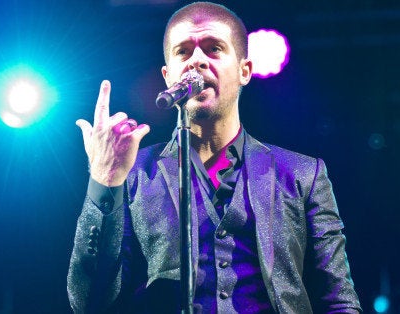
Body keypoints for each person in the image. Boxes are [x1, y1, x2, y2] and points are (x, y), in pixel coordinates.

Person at [68, 2, 361, 313]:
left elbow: (338, 300)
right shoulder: (134, 173)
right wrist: (104, 180)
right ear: (168, 77)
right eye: (183, 51)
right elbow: (90, 303)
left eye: (213, 49)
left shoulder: (303, 174)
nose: (197, 61)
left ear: (244, 71)